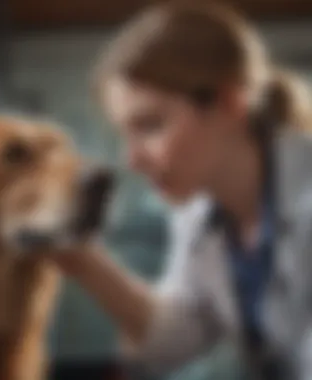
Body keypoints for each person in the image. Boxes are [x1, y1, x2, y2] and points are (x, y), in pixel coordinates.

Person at [54, 2, 312, 379]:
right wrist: (81, 260)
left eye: (150, 125)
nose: (132, 159)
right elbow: (174, 340)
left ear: (229, 102)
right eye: (125, 133)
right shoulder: (201, 215)